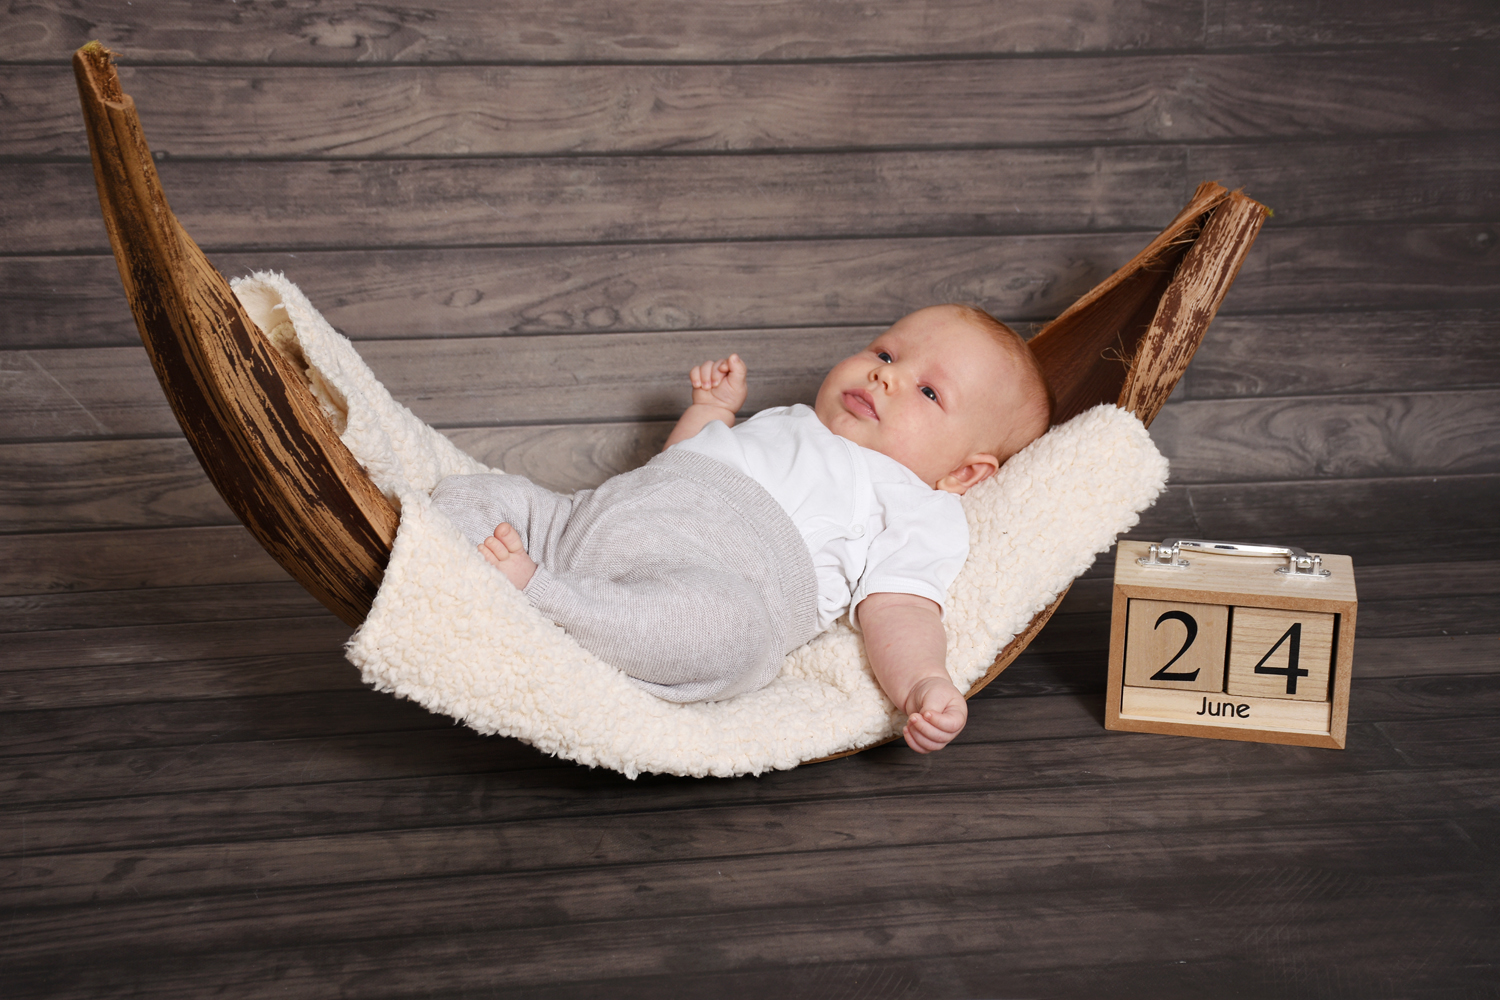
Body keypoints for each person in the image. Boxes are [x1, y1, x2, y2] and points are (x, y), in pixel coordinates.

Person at [430, 304, 1051, 753]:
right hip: (592, 518)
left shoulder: (920, 507)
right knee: (469, 495)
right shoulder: (795, 420)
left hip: (701, 582)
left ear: (964, 473)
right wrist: (710, 413)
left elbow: (902, 609)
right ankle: (502, 580)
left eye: (929, 392)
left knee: (737, 637)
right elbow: (678, 465)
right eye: (885, 354)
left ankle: (544, 597)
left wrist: (924, 681)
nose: (885, 376)